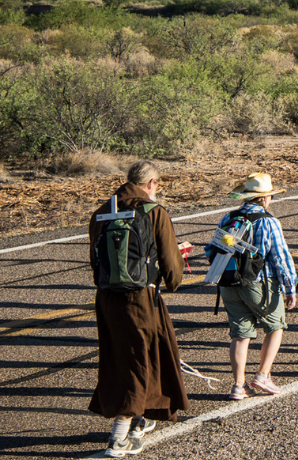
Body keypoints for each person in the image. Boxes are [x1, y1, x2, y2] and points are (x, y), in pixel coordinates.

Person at [88, 160, 188, 457]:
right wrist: (176, 271)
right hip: (141, 298)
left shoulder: (101, 213)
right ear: (152, 183)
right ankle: (119, 437)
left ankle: (140, 419)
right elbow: (172, 270)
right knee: (138, 361)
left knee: (124, 356)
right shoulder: (154, 212)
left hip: (107, 298)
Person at [205, 172, 297, 401]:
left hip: (228, 283)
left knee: (240, 333)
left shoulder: (228, 217)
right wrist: (290, 287)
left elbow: (211, 249)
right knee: (275, 326)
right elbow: (280, 257)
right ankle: (263, 375)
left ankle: (238, 385)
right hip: (258, 283)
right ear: (265, 198)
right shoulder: (268, 221)